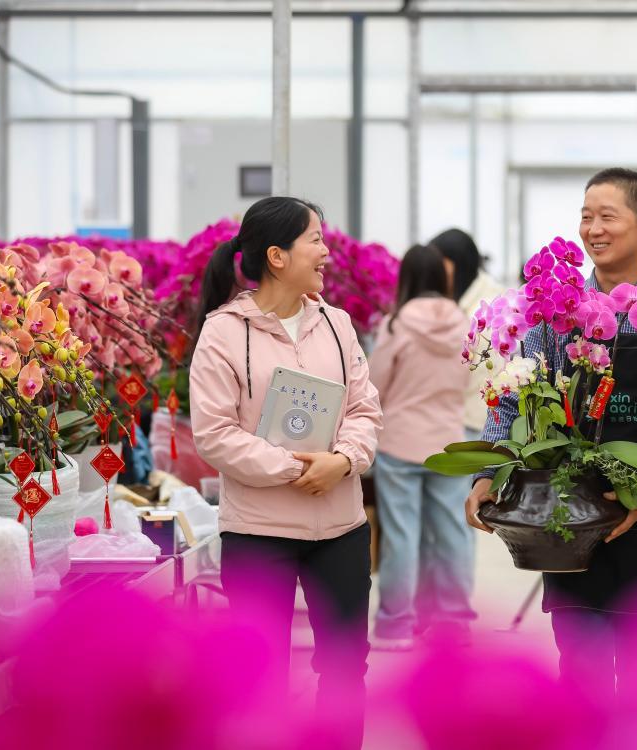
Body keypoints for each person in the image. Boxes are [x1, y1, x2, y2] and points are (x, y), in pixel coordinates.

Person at [465, 168, 637, 750]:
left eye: (607, 216)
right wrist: (486, 470)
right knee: (578, 673)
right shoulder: (557, 310)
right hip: (566, 513)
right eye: (585, 216)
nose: (592, 229)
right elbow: (515, 393)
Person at [189, 196, 381, 749]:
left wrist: (342, 460)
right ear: (277, 255)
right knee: (260, 678)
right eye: (315, 240)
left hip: (339, 529)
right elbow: (215, 434)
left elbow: (366, 410)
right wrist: (297, 470)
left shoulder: (337, 325)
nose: (326, 252)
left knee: (346, 669)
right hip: (257, 531)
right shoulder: (224, 333)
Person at [367, 244, 476, 651]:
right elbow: (465, 380)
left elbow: (376, 384)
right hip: (448, 441)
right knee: (451, 535)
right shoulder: (464, 323)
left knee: (401, 535)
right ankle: (454, 623)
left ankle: (396, 625)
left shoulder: (396, 325)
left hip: (400, 443)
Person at [429, 228, 506, 442]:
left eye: (438, 265)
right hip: (479, 419)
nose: (433, 274)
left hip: (477, 423)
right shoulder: (482, 294)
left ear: (456, 264)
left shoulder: (479, 313)